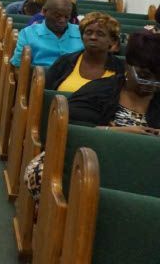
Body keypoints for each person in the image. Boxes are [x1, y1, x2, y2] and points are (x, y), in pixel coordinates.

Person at [25, 31, 160, 201]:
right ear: (127, 66)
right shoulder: (99, 91)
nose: (153, 84)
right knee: (42, 175)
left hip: (144, 173)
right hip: (90, 165)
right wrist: (117, 133)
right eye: (145, 76)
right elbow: (67, 133)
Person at [44, 12, 123, 92]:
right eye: (88, 33)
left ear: (113, 41)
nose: (93, 37)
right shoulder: (64, 62)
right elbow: (45, 93)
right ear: (82, 37)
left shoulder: (120, 69)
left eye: (100, 34)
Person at [10, 0, 83, 68]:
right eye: (57, 16)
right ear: (44, 11)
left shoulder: (81, 32)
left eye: (67, 16)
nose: (62, 20)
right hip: (40, 77)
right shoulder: (27, 33)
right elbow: (18, 67)